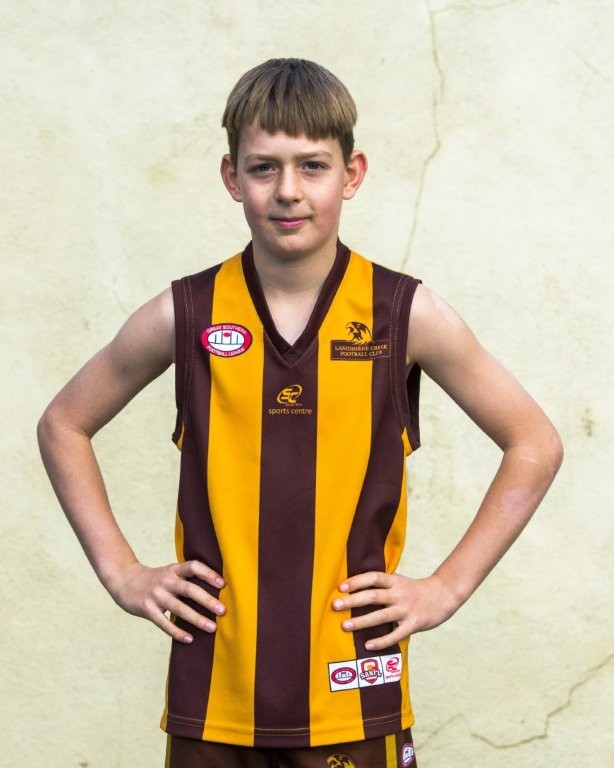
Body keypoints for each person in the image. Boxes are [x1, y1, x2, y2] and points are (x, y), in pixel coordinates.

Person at [37, 58, 563, 768]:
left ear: (352, 174)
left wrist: (445, 588)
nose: (288, 190)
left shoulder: (405, 314)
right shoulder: (184, 313)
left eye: (313, 165)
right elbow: (63, 424)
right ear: (232, 177)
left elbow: (534, 442)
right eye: (264, 168)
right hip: (213, 697)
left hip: (355, 689)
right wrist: (123, 573)